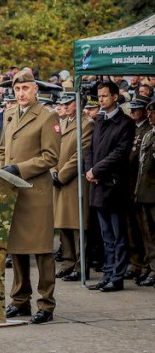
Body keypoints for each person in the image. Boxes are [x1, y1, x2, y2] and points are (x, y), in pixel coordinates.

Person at [0, 70, 61, 324]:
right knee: (17, 248)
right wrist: (0, 169)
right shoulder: (10, 114)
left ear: (35, 90)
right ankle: (20, 300)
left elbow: (50, 157)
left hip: (35, 193)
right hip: (12, 191)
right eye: (17, 89)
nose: (21, 94)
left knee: (42, 250)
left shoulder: (47, 116)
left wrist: (19, 168)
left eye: (25, 89)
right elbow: (3, 149)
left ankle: (46, 303)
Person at [85, 81, 136, 292]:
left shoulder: (125, 123)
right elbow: (90, 149)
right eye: (100, 96)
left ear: (115, 96)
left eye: (105, 96)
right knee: (106, 235)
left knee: (118, 234)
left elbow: (120, 153)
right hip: (97, 184)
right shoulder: (99, 120)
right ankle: (107, 273)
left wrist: (97, 171)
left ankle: (117, 275)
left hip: (114, 185)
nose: (101, 99)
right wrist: (90, 170)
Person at [52, 92, 94, 281]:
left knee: (78, 227)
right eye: (63, 103)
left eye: (69, 103)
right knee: (63, 226)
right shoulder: (63, 123)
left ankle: (80, 265)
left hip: (75, 181)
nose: (65, 106)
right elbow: (52, 149)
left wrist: (60, 175)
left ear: (79, 103)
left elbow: (81, 154)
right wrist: (53, 170)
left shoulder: (87, 124)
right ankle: (68, 263)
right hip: (60, 180)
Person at [126, 96, 151, 282]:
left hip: (144, 186)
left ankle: (147, 265)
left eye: (137, 109)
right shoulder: (132, 128)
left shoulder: (148, 130)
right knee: (132, 228)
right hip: (130, 186)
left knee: (146, 230)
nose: (132, 111)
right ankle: (136, 263)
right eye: (131, 108)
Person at [134, 98, 155, 286]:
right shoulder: (149, 134)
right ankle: (151, 267)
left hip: (153, 192)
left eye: (152, 112)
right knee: (148, 234)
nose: (149, 115)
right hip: (144, 191)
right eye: (148, 112)